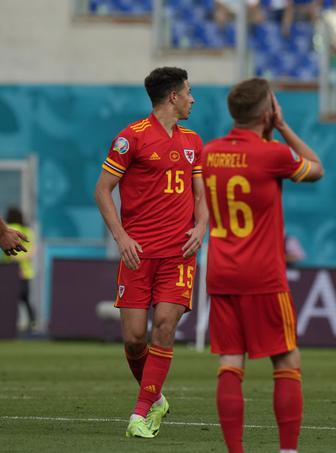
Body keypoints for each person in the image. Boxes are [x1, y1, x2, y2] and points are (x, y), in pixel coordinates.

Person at [203, 78, 323, 453]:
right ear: (268, 112)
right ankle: (287, 451)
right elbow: (316, 168)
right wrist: (284, 127)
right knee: (286, 358)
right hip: (264, 275)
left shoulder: (209, 152)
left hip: (221, 272)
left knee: (229, 361)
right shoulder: (272, 154)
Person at [94, 67, 207, 439]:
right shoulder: (131, 139)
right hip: (137, 254)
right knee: (133, 339)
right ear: (172, 96)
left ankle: (141, 413)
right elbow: (102, 191)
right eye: (188, 92)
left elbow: (201, 194)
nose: (193, 99)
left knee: (164, 327)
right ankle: (156, 397)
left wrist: (201, 226)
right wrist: (121, 237)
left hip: (179, 253)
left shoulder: (193, 140)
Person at [3, 207, 36, 331]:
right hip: (26, 272)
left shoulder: (10, 229)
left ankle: (9, 323)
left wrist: (16, 262)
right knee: (25, 299)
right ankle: (32, 322)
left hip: (11, 270)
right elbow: (32, 251)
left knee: (11, 299)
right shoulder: (28, 231)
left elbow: (9, 252)